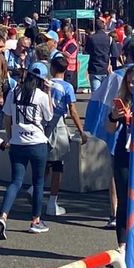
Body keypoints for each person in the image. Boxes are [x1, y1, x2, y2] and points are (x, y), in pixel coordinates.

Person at [0, 63, 56, 238]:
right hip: (37, 142)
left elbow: (7, 118)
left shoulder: (14, 93)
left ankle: (3, 216)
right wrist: (49, 92)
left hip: (18, 142)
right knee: (38, 183)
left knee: (15, 182)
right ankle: (35, 220)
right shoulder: (42, 96)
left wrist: (10, 137)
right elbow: (49, 116)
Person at [45, 55, 88, 217]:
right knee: (58, 164)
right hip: (59, 124)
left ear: (52, 68)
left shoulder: (46, 84)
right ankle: (52, 202)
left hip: (43, 124)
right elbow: (73, 110)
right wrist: (81, 130)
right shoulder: (67, 87)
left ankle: (34, 188)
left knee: (45, 160)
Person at [106, 69, 134, 247]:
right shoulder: (123, 102)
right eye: (129, 82)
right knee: (124, 202)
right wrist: (113, 116)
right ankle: (123, 246)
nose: (132, 85)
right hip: (123, 153)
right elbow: (109, 129)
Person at [84, 19, 114, 91]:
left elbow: (86, 50)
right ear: (104, 27)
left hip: (94, 68)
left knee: (95, 95)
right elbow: (114, 54)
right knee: (104, 94)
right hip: (105, 69)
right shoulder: (109, 39)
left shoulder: (91, 38)